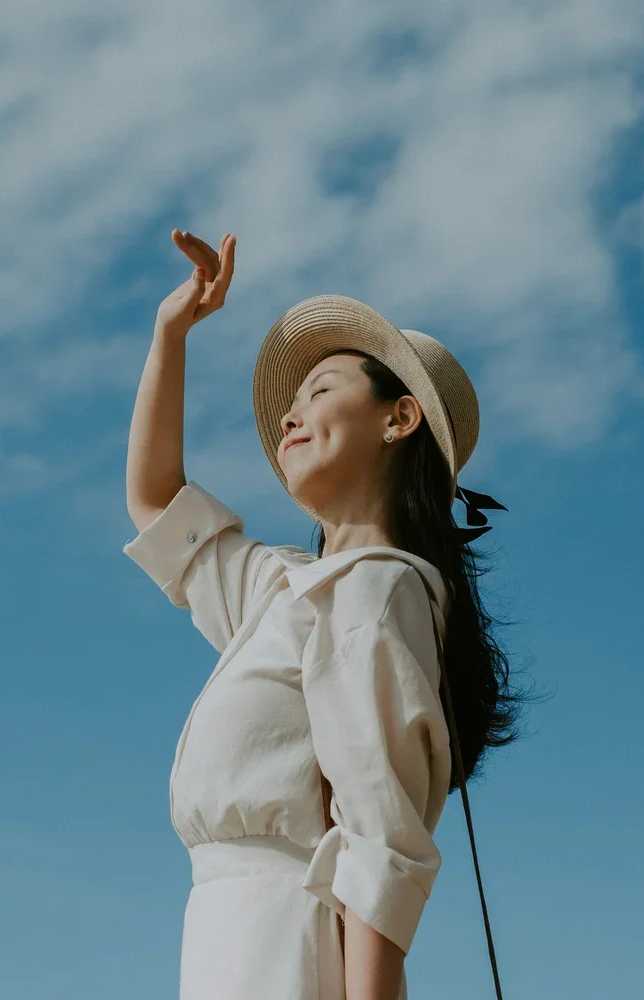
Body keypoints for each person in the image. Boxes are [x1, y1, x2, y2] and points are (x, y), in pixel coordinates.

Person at [124, 229, 522, 1000]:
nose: (289, 418)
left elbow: (379, 845)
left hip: (287, 940)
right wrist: (169, 334)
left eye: (322, 390)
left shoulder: (375, 589)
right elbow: (155, 505)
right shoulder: (283, 588)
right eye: (292, 402)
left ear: (397, 419)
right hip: (226, 940)